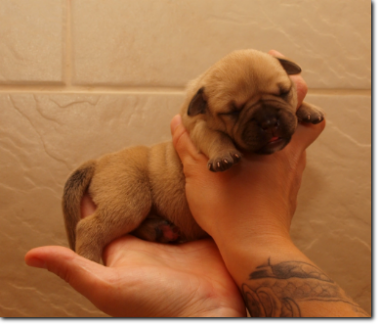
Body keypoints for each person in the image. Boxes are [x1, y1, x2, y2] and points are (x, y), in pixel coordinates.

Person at [25, 51, 369, 317]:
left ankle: (150, 228)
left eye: (282, 93)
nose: (267, 120)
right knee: (125, 210)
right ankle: (95, 237)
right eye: (235, 112)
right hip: (141, 173)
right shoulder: (200, 123)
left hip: (195, 252)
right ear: (201, 108)